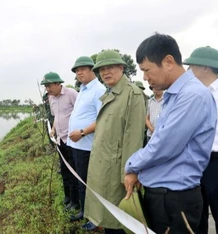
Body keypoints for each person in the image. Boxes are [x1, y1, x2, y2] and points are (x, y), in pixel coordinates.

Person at [124, 33, 217, 234]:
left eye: (147, 70)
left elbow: (164, 145)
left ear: (168, 61)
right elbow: (158, 138)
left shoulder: (192, 95)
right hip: (166, 196)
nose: (145, 77)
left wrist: (131, 165)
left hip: (174, 200)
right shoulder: (176, 96)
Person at [84, 50, 146, 234]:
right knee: (109, 219)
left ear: (121, 67)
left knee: (119, 222)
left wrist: (129, 173)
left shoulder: (132, 95)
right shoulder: (110, 94)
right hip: (103, 169)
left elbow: (133, 138)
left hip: (118, 173)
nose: (105, 72)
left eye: (110, 67)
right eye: (101, 69)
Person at [183, 46, 218, 234]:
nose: (189, 70)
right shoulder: (195, 93)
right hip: (196, 162)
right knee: (196, 214)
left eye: (192, 66)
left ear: (205, 68)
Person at [67, 56, 106, 230]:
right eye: (76, 70)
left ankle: (94, 218)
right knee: (80, 180)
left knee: (88, 184)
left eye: (82, 69)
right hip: (76, 145)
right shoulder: (83, 90)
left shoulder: (98, 89)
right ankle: (84, 211)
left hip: (87, 146)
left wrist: (82, 132)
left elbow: (102, 119)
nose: (79, 73)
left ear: (92, 69)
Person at [40, 72, 80, 210]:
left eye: (49, 85)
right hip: (60, 139)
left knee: (73, 171)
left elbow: (81, 113)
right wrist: (54, 129)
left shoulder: (71, 93)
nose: (47, 89)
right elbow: (57, 116)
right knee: (64, 170)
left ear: (58, 84)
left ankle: (76, 202)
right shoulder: (51, 98)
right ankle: (68, 196)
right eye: (45, 86)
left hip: (73, 140)